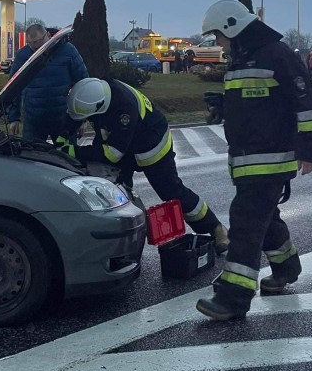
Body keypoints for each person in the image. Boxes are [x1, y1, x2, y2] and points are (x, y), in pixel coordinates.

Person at [194, 0, 312, 321]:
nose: (218, 45)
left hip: (270, 159)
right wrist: (225, 106)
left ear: (233, 28)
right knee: (265, 219)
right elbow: (259, 102)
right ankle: (286, 267)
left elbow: (306, 104)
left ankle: (233, 297)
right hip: (247, 158)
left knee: (246, 222)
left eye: (218, 37)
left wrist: (309, 152)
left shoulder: (278, 55)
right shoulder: (243, 58)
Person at [61, 77, 230, 254]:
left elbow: (112, 154)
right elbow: (75, 115)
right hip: (122, 142)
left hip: (151, 144)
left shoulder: (124, 108)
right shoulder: (95, 92)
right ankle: (123, 242)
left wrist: (73, 151)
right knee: (114, 190)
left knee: (171, 191)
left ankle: (216, 228)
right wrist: (63, 136)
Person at [7, 24, 88, 142]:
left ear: (48, 35)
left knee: (66, 157)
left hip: (63, 119)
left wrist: (83, 118)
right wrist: (14, 117)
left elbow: (83, 83)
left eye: (40, 44)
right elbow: (13, 88)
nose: (37, 50)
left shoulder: (68, 50)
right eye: (32, 45)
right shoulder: (23, 55)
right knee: (29, 157)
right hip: (33, 120)